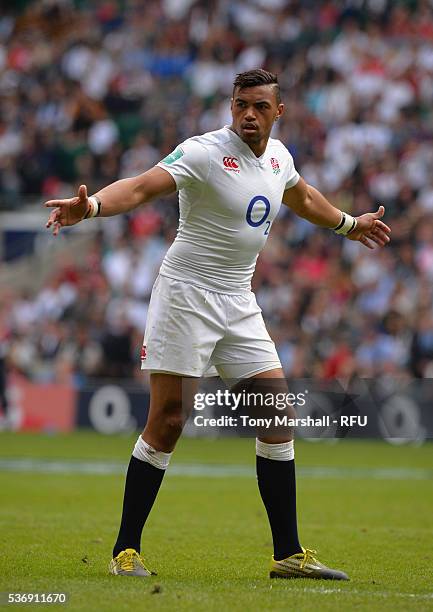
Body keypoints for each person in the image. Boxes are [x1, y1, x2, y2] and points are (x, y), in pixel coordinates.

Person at [45, 69, 391, 580]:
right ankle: (125, 552)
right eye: (239, 105)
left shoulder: (279, 158)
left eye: (258, 106)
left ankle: (288, 554)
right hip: (186, 294)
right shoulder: (205, 151)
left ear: (279, 112)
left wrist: (346, 223)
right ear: (231, 108)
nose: (247, 114)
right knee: (167, 421)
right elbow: (142, 187)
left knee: (276, 414)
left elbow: (301, 196)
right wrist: (91, 205)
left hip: (238, 298)